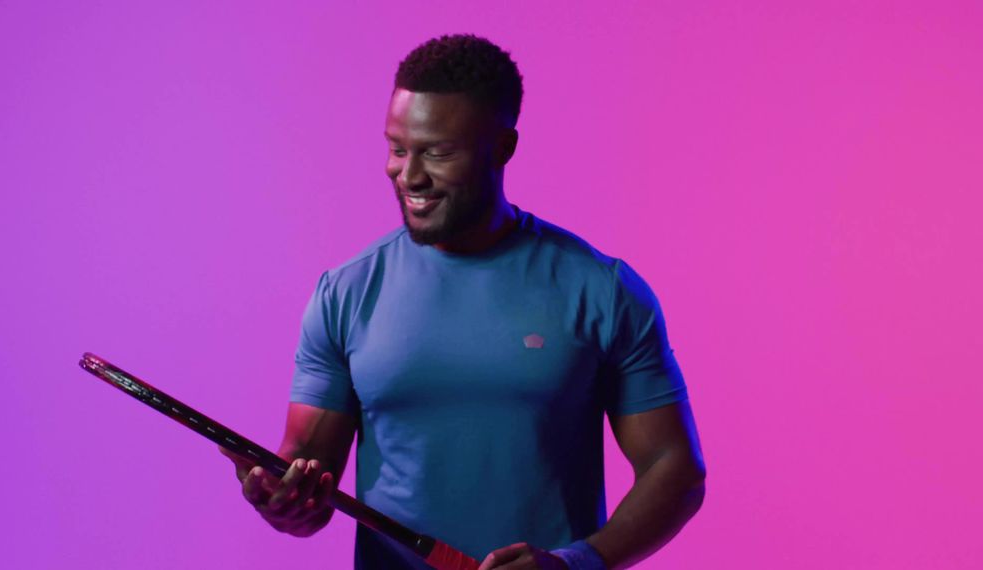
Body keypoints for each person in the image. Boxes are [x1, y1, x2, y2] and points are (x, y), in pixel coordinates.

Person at [220, 34, 705, 569]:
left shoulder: (603, 290)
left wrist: (575, 563)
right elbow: (310, 493)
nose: (409, 175)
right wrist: (284, 501)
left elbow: (674, 468)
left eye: (437, 152)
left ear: (502, 148)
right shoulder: (345, 294)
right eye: (397, 148)